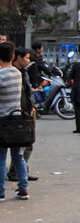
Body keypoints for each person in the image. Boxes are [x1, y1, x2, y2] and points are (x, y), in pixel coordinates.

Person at [0, 41, 33, 200]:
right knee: (17, 156)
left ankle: (0, 192)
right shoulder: (17, 73)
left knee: (1, 157)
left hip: (3, 121)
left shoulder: (1, 75)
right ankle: (23, 189)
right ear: (13, 57)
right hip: (17, 120)